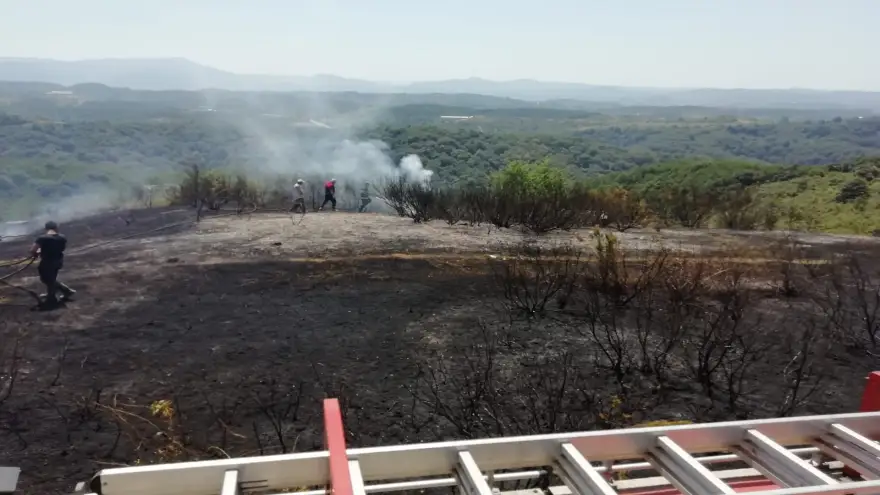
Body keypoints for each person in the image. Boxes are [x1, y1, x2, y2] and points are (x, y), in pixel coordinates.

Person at [30, 221, 75, 305]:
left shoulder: (42, 238)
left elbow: (33, 250)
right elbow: (60, 248)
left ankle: (59, 294)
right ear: (56, 228)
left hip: (47, 262)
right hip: (58, 261)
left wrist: (36, 254)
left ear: (46, 229)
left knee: (47, 279)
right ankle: (53, 295)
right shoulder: (62, 237)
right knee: (51, 278)